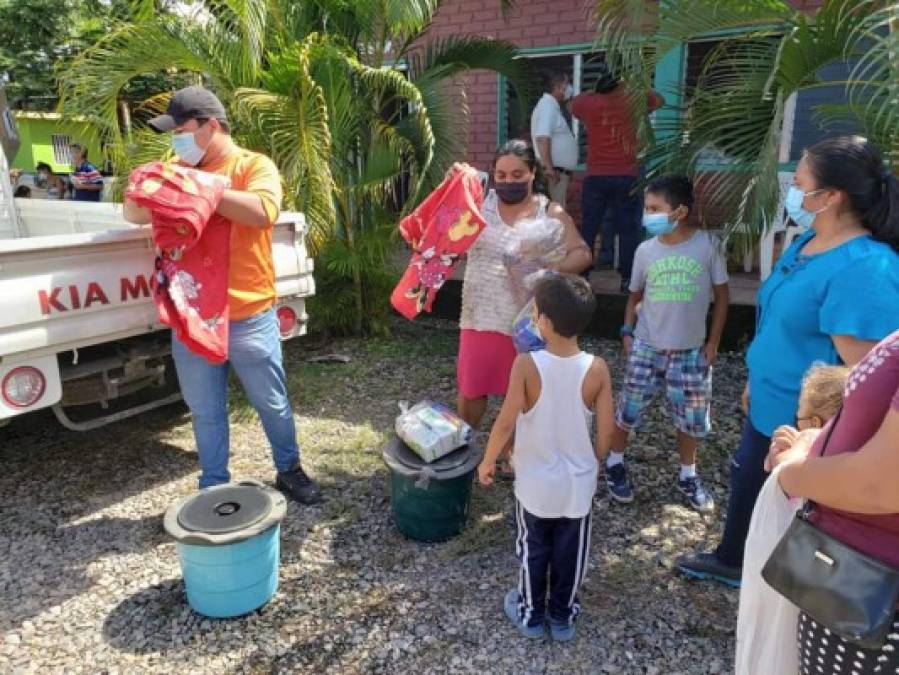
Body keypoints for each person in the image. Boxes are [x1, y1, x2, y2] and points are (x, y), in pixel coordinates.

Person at [677, 135, 899, 587]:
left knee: (788, 505)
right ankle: (734, 560)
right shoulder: (806, 244)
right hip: (768, 401)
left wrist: (817, 434)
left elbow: (867, 375)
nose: (792, 193)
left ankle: (781, 586)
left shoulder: (865, 267)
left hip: (808, 427)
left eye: (798, 183)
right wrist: (756, 379)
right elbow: (777, 319)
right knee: (749, 486)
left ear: (831, 196)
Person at [123, 85, 320, 503]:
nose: (174, 139)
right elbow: (133, 210)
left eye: (180, 129)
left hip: (248, 313)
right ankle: (213, 484)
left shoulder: (252, 165)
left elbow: (264, 211)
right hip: (192, 315)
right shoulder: (174, 167)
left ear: (211, 125)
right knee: (205, 411)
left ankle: (289, 470)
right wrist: (169, 184)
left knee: (271, 403)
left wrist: (200, 187)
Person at [477, 273, 614, 642]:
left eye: (535, 313)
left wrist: (488, 460)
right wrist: (593, 462)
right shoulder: (597, 368)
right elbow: (606, 433)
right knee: (572, 554)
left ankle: (530, 615)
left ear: (546, 323)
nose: (533, 319)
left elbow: (505, 423)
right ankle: (562, 617)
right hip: (577, 487)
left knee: (533, 550)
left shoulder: (526, 365)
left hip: (535, 484)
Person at [766, 330, 899, 674]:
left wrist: (790, 472)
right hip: (851, 583)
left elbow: (882, 484)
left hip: (876, 600)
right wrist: (815, 443)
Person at [457, 140, 592, 446]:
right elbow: (445, 226)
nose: (509, 181)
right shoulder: (479, 204)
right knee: (471, 388)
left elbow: (582, 253)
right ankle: (463, 447)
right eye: (501, 175)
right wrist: (456, 179)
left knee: (523, 391)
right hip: (480, 314)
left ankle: (510, 451)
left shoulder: (550, 212)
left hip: (527, 322)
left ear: (532, 173)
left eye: (517, 174)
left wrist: (552, 272)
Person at [607, 175, 728, 512]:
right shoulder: (646, 251)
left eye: (655, 209)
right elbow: (634, 297)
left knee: (690, 418)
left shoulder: (707, 246)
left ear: (680, 211)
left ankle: (688, 474)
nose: (648, 216)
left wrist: (713, 342)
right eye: (646, 209)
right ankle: (614, 462)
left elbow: (722, 296)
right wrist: (626, 333)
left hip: (691, 351)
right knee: (628, 409)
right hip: (646, 346)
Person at [735, 365, 848, 675]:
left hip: (792, 595)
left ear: (815, 424)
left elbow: (788, 478)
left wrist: (788, 456)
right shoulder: (856, 466)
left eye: (798, 416)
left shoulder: (809, 461)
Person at [571, 62, 664, 292]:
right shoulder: (634, 100)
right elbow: (659, 100)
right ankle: (626, 280)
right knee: (627, 229)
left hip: (596, 176)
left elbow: (574, 104)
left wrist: (596, 90)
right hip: (626, 175)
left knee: (589, 227)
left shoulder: (589, 102)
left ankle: (582, 275)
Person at [530, 71, 578, 208]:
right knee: (553, 217)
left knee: (555, 215)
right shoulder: (547, 106)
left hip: (558, 172)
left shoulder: (552, 107)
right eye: (567, 84)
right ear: (558, 87)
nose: (569, 88)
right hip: (553, 173)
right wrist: (549, 169)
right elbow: (542, 138)